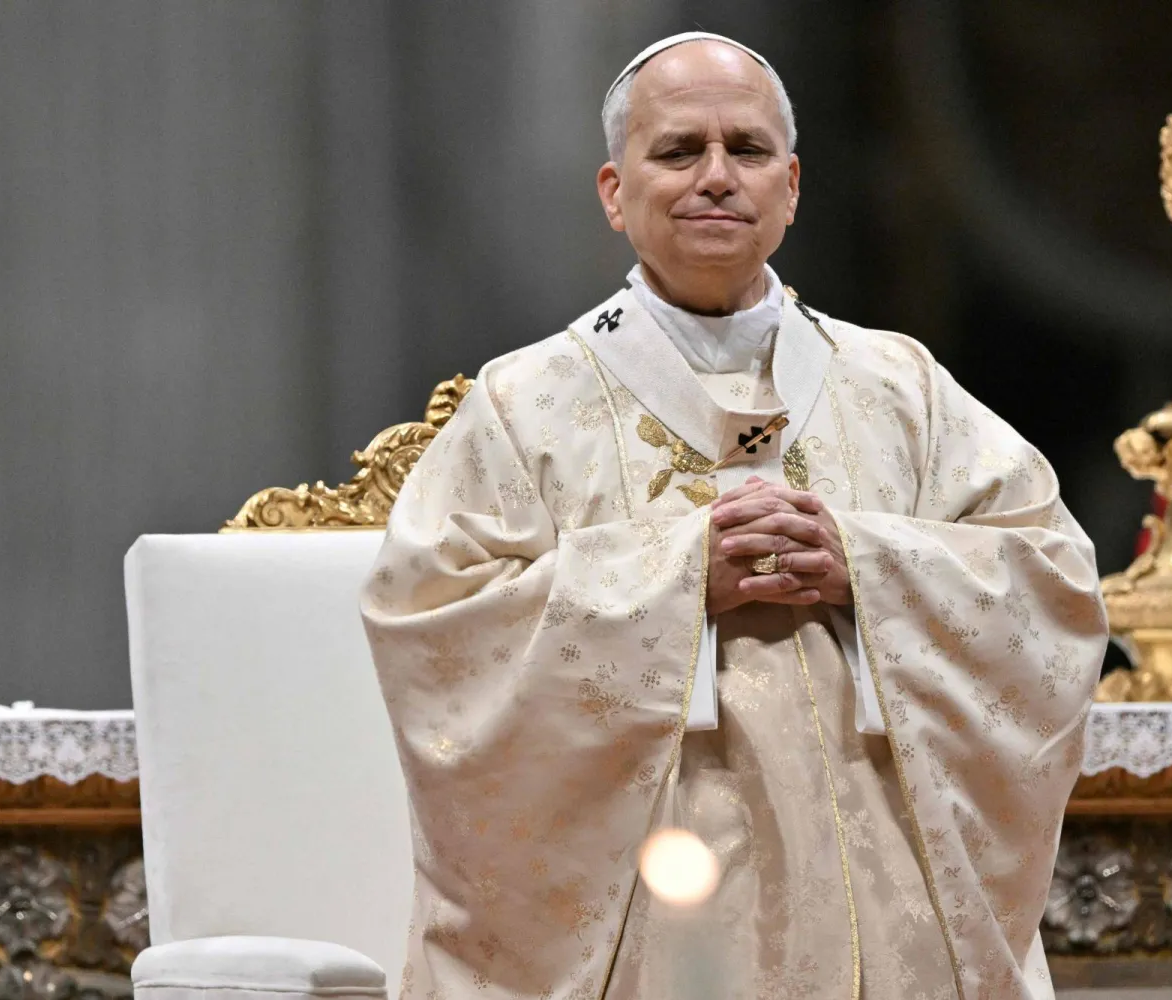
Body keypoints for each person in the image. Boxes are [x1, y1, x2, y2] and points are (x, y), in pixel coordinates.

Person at [361, 31, 1106, 1000]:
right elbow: (435, 631)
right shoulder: (524, 406)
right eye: (678, 151)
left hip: (878, 885)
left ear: (791, 187)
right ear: (614, 190)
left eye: (746, 150)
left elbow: (1051, 580)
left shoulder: (901, 390)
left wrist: (866, 561)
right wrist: (671, 583)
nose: (717, 176)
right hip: (649, 897)